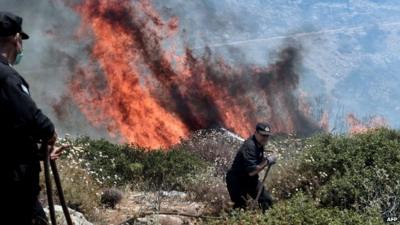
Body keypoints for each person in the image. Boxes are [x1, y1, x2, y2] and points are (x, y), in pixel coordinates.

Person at [0, 11, 65, 224]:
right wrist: (49, 132)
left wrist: (38, 153)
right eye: (21, 39)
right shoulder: (7, 77)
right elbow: (31, 117)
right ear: (15, 39)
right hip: (14, 186)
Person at [226, 122, 277, 212]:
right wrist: (267, 161)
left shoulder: (259, 144)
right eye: (263, 135)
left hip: (250, 180)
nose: (265, 138)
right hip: (237, 181)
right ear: (256, 133)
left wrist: (267, 159)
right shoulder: (250, 146)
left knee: (266, 200)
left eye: (267, 136)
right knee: (241, 208)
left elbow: (256, 162)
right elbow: (252, 171)